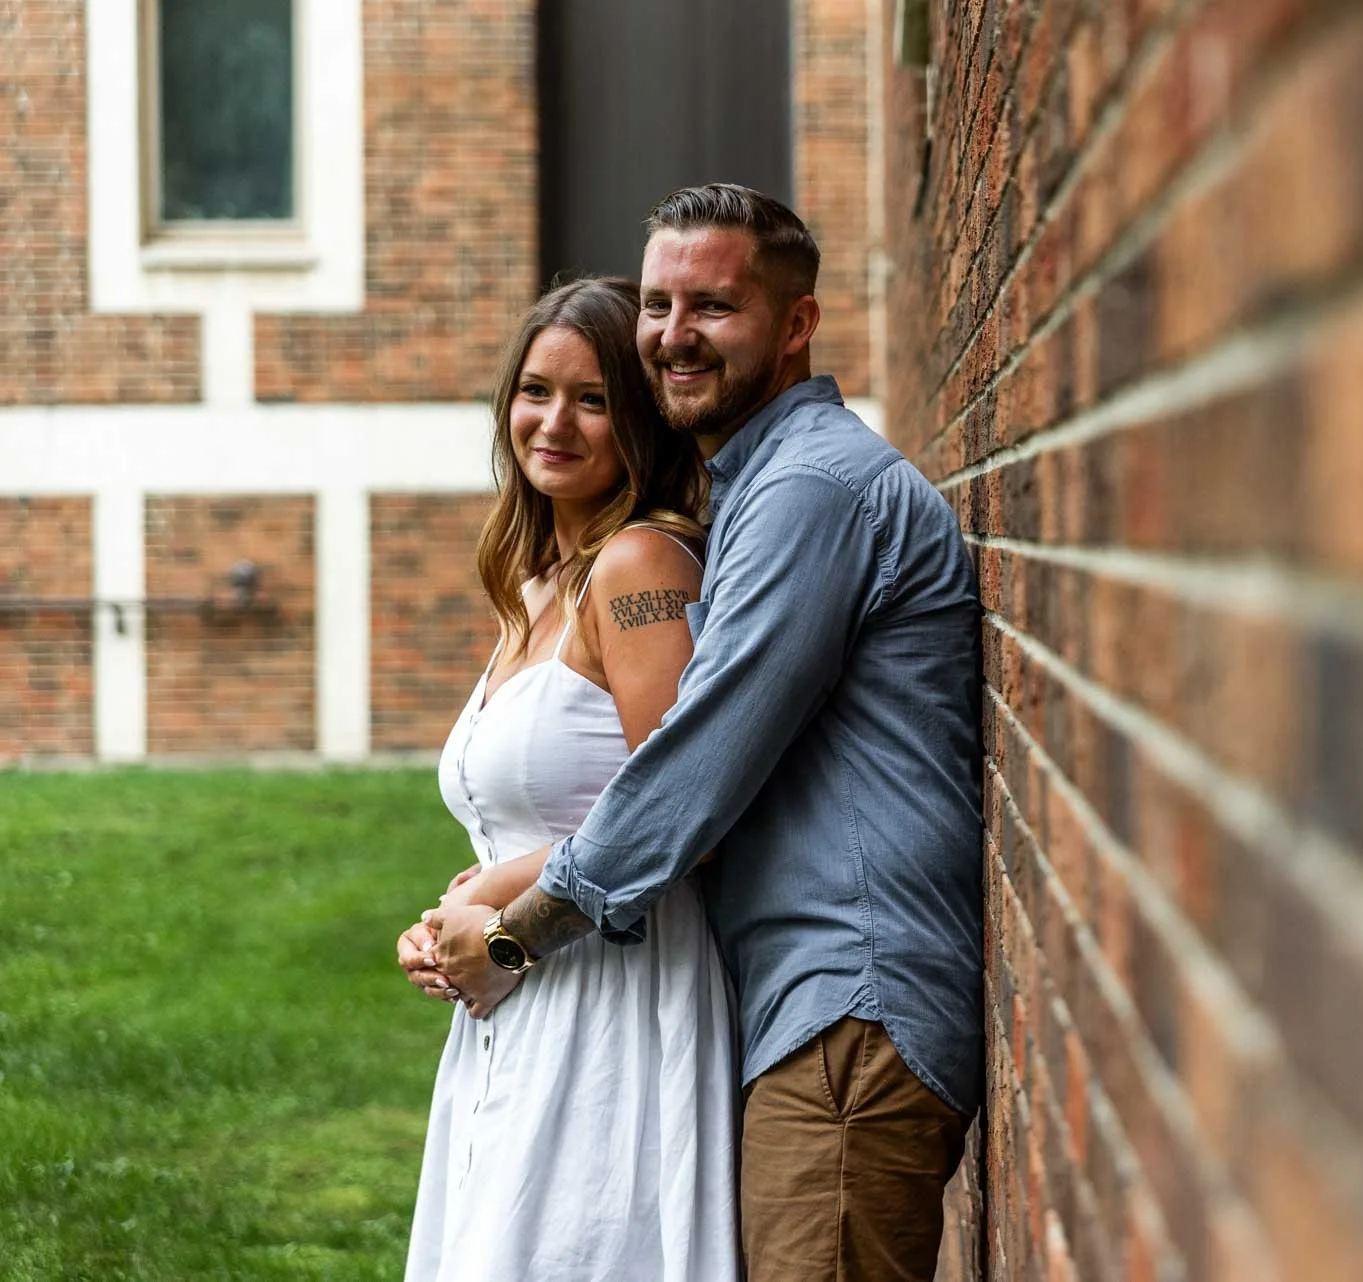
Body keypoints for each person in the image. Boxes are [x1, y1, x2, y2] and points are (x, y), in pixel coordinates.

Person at [428, 184, 984, 1280]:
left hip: (848, 1001)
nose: (674, 334)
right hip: (803, 1006)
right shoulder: (760, 488)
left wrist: (511, 934)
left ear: (795, 324)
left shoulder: (809, 489)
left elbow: (692, 767)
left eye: (713, 306)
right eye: (660, 304)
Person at [395, 276, 740, 1281]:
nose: (555, 421)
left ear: (637, 421)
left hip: (616, 996)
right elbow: (532, 813)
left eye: (593, 399)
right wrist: (449, 921)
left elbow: (685, 808)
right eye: (536, 390)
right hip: (521, 994)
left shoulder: (638, 566)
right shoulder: (542, 580)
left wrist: (497, 900)